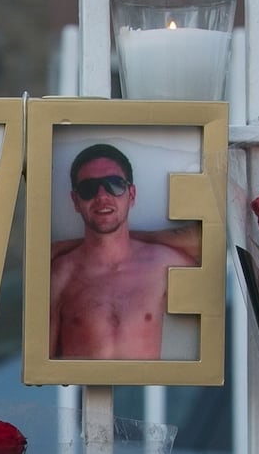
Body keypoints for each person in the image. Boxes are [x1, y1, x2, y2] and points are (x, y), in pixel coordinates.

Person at [49, 143, 196, 360]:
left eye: (114, 184)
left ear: (132, 194)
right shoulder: (61, 274)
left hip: (145, 393)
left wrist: (138, 237)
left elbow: (211, 242)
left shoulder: (163, 265)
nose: (102, 196)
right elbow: (41, 367)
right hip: (81, 391)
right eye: (89, 188)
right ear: (75, 201)